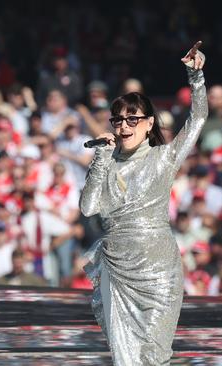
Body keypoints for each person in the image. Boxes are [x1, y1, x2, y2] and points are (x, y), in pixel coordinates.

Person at [80, 41, 207, 365]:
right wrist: (101, 159)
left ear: (150, 123)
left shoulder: (164, 158)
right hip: (116, 269)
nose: (124, 126)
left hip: (158, 267)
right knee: (126, 358)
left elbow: (198, 119)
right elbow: (88, 207)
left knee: (155, 351)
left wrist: (196, 78)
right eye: (118, 120)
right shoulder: (106, 161)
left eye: (132, 119)